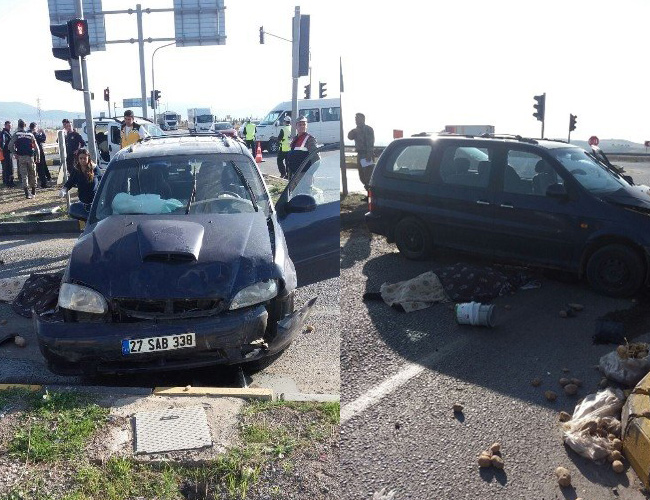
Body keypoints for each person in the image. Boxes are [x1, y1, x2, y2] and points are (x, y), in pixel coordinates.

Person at [7, 119, 39, 199]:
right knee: (33, 173)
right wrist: (38, 157)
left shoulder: (16, 134)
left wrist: (15, 153)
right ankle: (33, 192)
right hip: (30, 156)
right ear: (25, 125)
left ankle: (27, 194)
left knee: (24, 175)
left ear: (18, 126)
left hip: (21, 157)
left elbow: (10, 146)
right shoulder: (30, 134)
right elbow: (36, 147)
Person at [347, 112, 375, 192]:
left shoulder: (368, 129)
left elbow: (370, 143)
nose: (356, 120)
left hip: (366, 154)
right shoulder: (356, 130)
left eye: (357, 118)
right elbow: (349, 137)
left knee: (368, 175)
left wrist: (369, 155)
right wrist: (354, 131)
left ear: (363, 119)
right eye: (355, 119)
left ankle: (370, 195)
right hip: (360, 154)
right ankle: (367, 191)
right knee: (361, 176)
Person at [286, 116, 318, 180]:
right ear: (296, 126)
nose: (302, 126)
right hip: (293, 175)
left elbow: (316, 159)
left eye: (304, 124)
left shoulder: (310, 139)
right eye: (300, 124)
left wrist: (310, 174)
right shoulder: (295, 139)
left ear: (307, 126)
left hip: (304, 176)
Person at [30, 122, 51, 188]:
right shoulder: (35, 134)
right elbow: (43, 139)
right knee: (41, 168)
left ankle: (47, 178)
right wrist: (43, 132)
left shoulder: (28, 134)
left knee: (35, 168)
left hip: (31, 153)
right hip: (38, 153)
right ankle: (43, 183)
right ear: (34, 128)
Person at [1, 121, 14, 187]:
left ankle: (9, 181)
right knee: (7, 168)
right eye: (8, 125)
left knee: (10, 167)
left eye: (10, 125)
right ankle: (8, 183)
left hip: (8, 153)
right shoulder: (4, 133)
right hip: (6, 153)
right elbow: (2, 143)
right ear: (5, 125)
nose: (10, 126)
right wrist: (4, 151)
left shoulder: (8, 133)